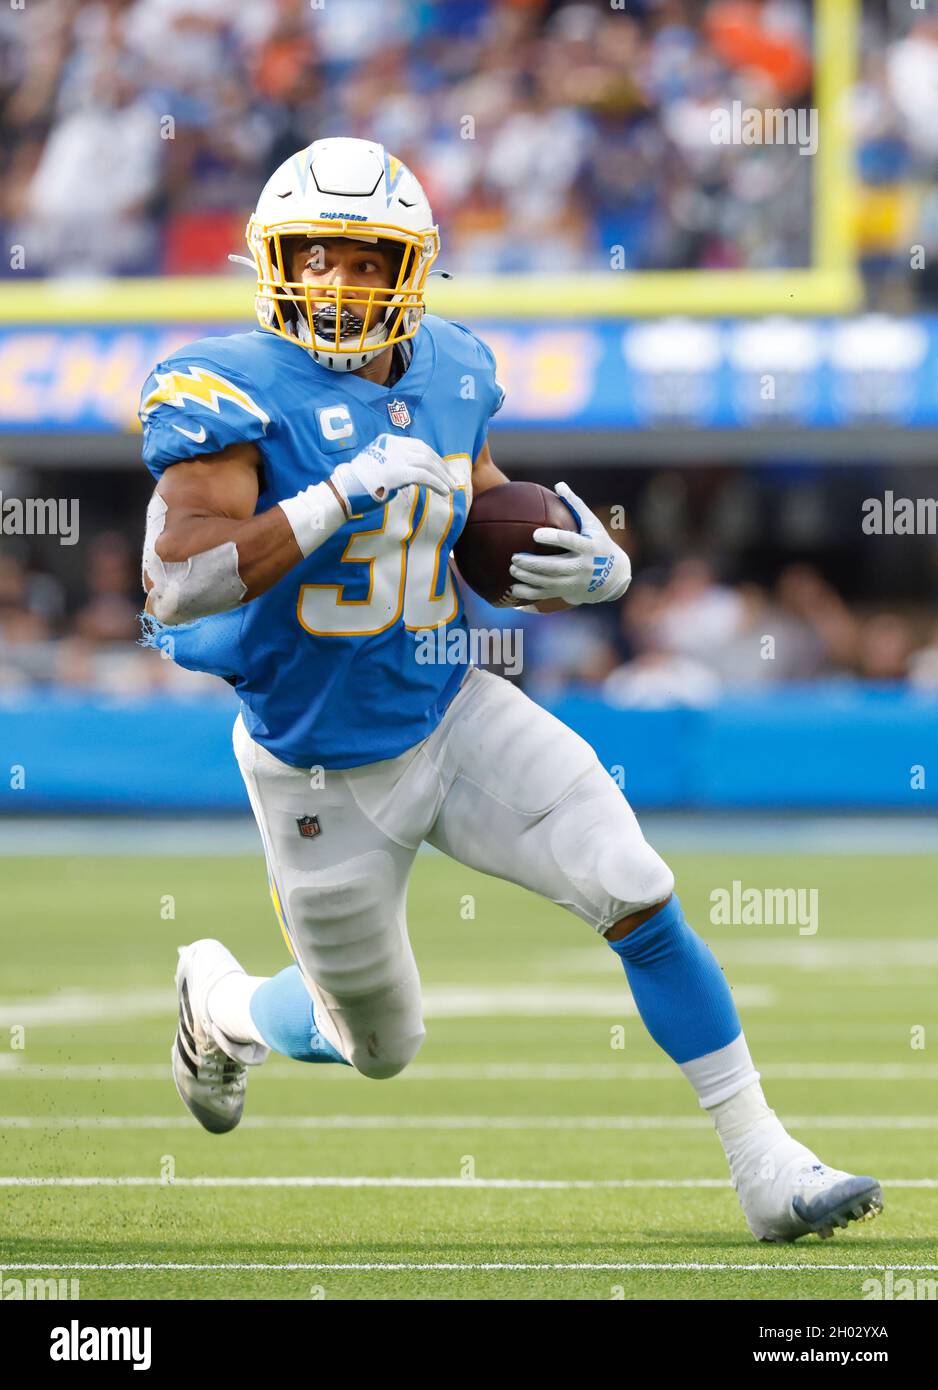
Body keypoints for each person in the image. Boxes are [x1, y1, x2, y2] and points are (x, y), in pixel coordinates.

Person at [139, 138, 880, 1243]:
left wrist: (592, 563)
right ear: (271, 260)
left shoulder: (454, 368)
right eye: (314, 257)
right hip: (317, 763)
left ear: (412, 271)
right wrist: (330, 497)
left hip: (452, 704)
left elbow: (480, 507)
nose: (336, 283)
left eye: (363, 260)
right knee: (377, 1044)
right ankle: (224, 1006)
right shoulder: (225, 386)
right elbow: (176, 581)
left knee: (632, 881)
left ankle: (766, 1165)